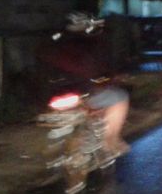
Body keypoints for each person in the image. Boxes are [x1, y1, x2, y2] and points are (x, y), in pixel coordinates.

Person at [37, 13, 130, 158]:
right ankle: (110, 141)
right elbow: (96, 71)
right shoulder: (88, 43)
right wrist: (109, 78)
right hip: (81, 93)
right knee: (120, 97)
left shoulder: (52, 42)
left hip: (52, 95)